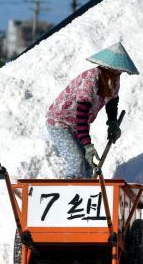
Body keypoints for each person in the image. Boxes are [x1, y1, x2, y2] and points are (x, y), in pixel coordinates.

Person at [46, 42, 138, 178]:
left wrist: (112, 123)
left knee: (89, 167)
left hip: (77, 125)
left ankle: (85, 194)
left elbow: (112, 102)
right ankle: (68, 193)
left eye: (121, 71)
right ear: (108, 68)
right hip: (59, 122)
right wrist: (88, 146)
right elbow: (81, 116)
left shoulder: (113, 81)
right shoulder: (90, 80)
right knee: (76, 162)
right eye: (117, 70)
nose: (119, 73)